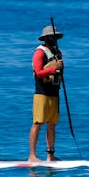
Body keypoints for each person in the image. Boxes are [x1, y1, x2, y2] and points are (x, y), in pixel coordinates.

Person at [28, 25, 64, 162]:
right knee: (38, 123)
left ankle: (50, 155)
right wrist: (54, 69)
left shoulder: (57, 53)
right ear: (46, 38)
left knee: (52, 125)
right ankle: (32, 155)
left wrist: (60, 67)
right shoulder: (39, 53)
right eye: (52, 37)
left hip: (54, 94)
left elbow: (59, 71)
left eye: (56, 37)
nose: (55, 39)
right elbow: (38, 73)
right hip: (42, 93)